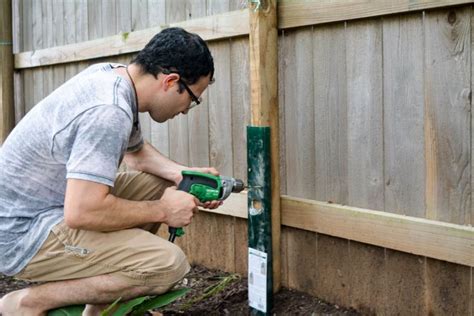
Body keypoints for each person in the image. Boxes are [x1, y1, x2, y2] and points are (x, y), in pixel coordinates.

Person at [0, 27, 220, 315]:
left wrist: (180, 174)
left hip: (46, 206)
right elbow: (82, 212)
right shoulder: (109, 111)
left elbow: (137, 155)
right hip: (23, 235)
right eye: (193, 98)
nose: (187, 109)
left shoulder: (114, 77)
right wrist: (163, 210)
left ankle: (98, 310)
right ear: (171, 81)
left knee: (158, 181)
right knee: (167, 264)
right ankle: (27, 303)